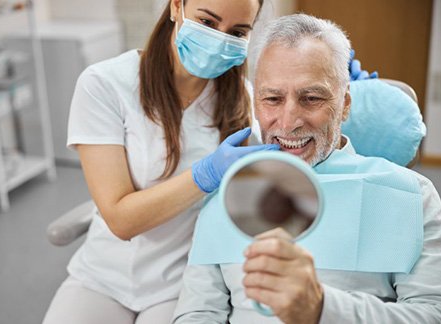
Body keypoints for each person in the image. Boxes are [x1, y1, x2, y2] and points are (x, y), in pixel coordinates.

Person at [172, 14, 441, 324]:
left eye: (311, 98)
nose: (288, 123)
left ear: (345, 104)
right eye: (272, 99)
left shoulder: (411, 197)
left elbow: (431, 315)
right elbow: (196, 313)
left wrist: (322, 308)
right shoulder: (226, 193)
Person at [42, 0, 281, 323]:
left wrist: (342, 90)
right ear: (176, 6)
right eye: (208, 23)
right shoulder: (105, 84)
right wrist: (205, 175)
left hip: (183, 283)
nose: (220, 40)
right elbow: (121, 220)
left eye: (237, 32)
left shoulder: (243, 100)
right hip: (102, 276)